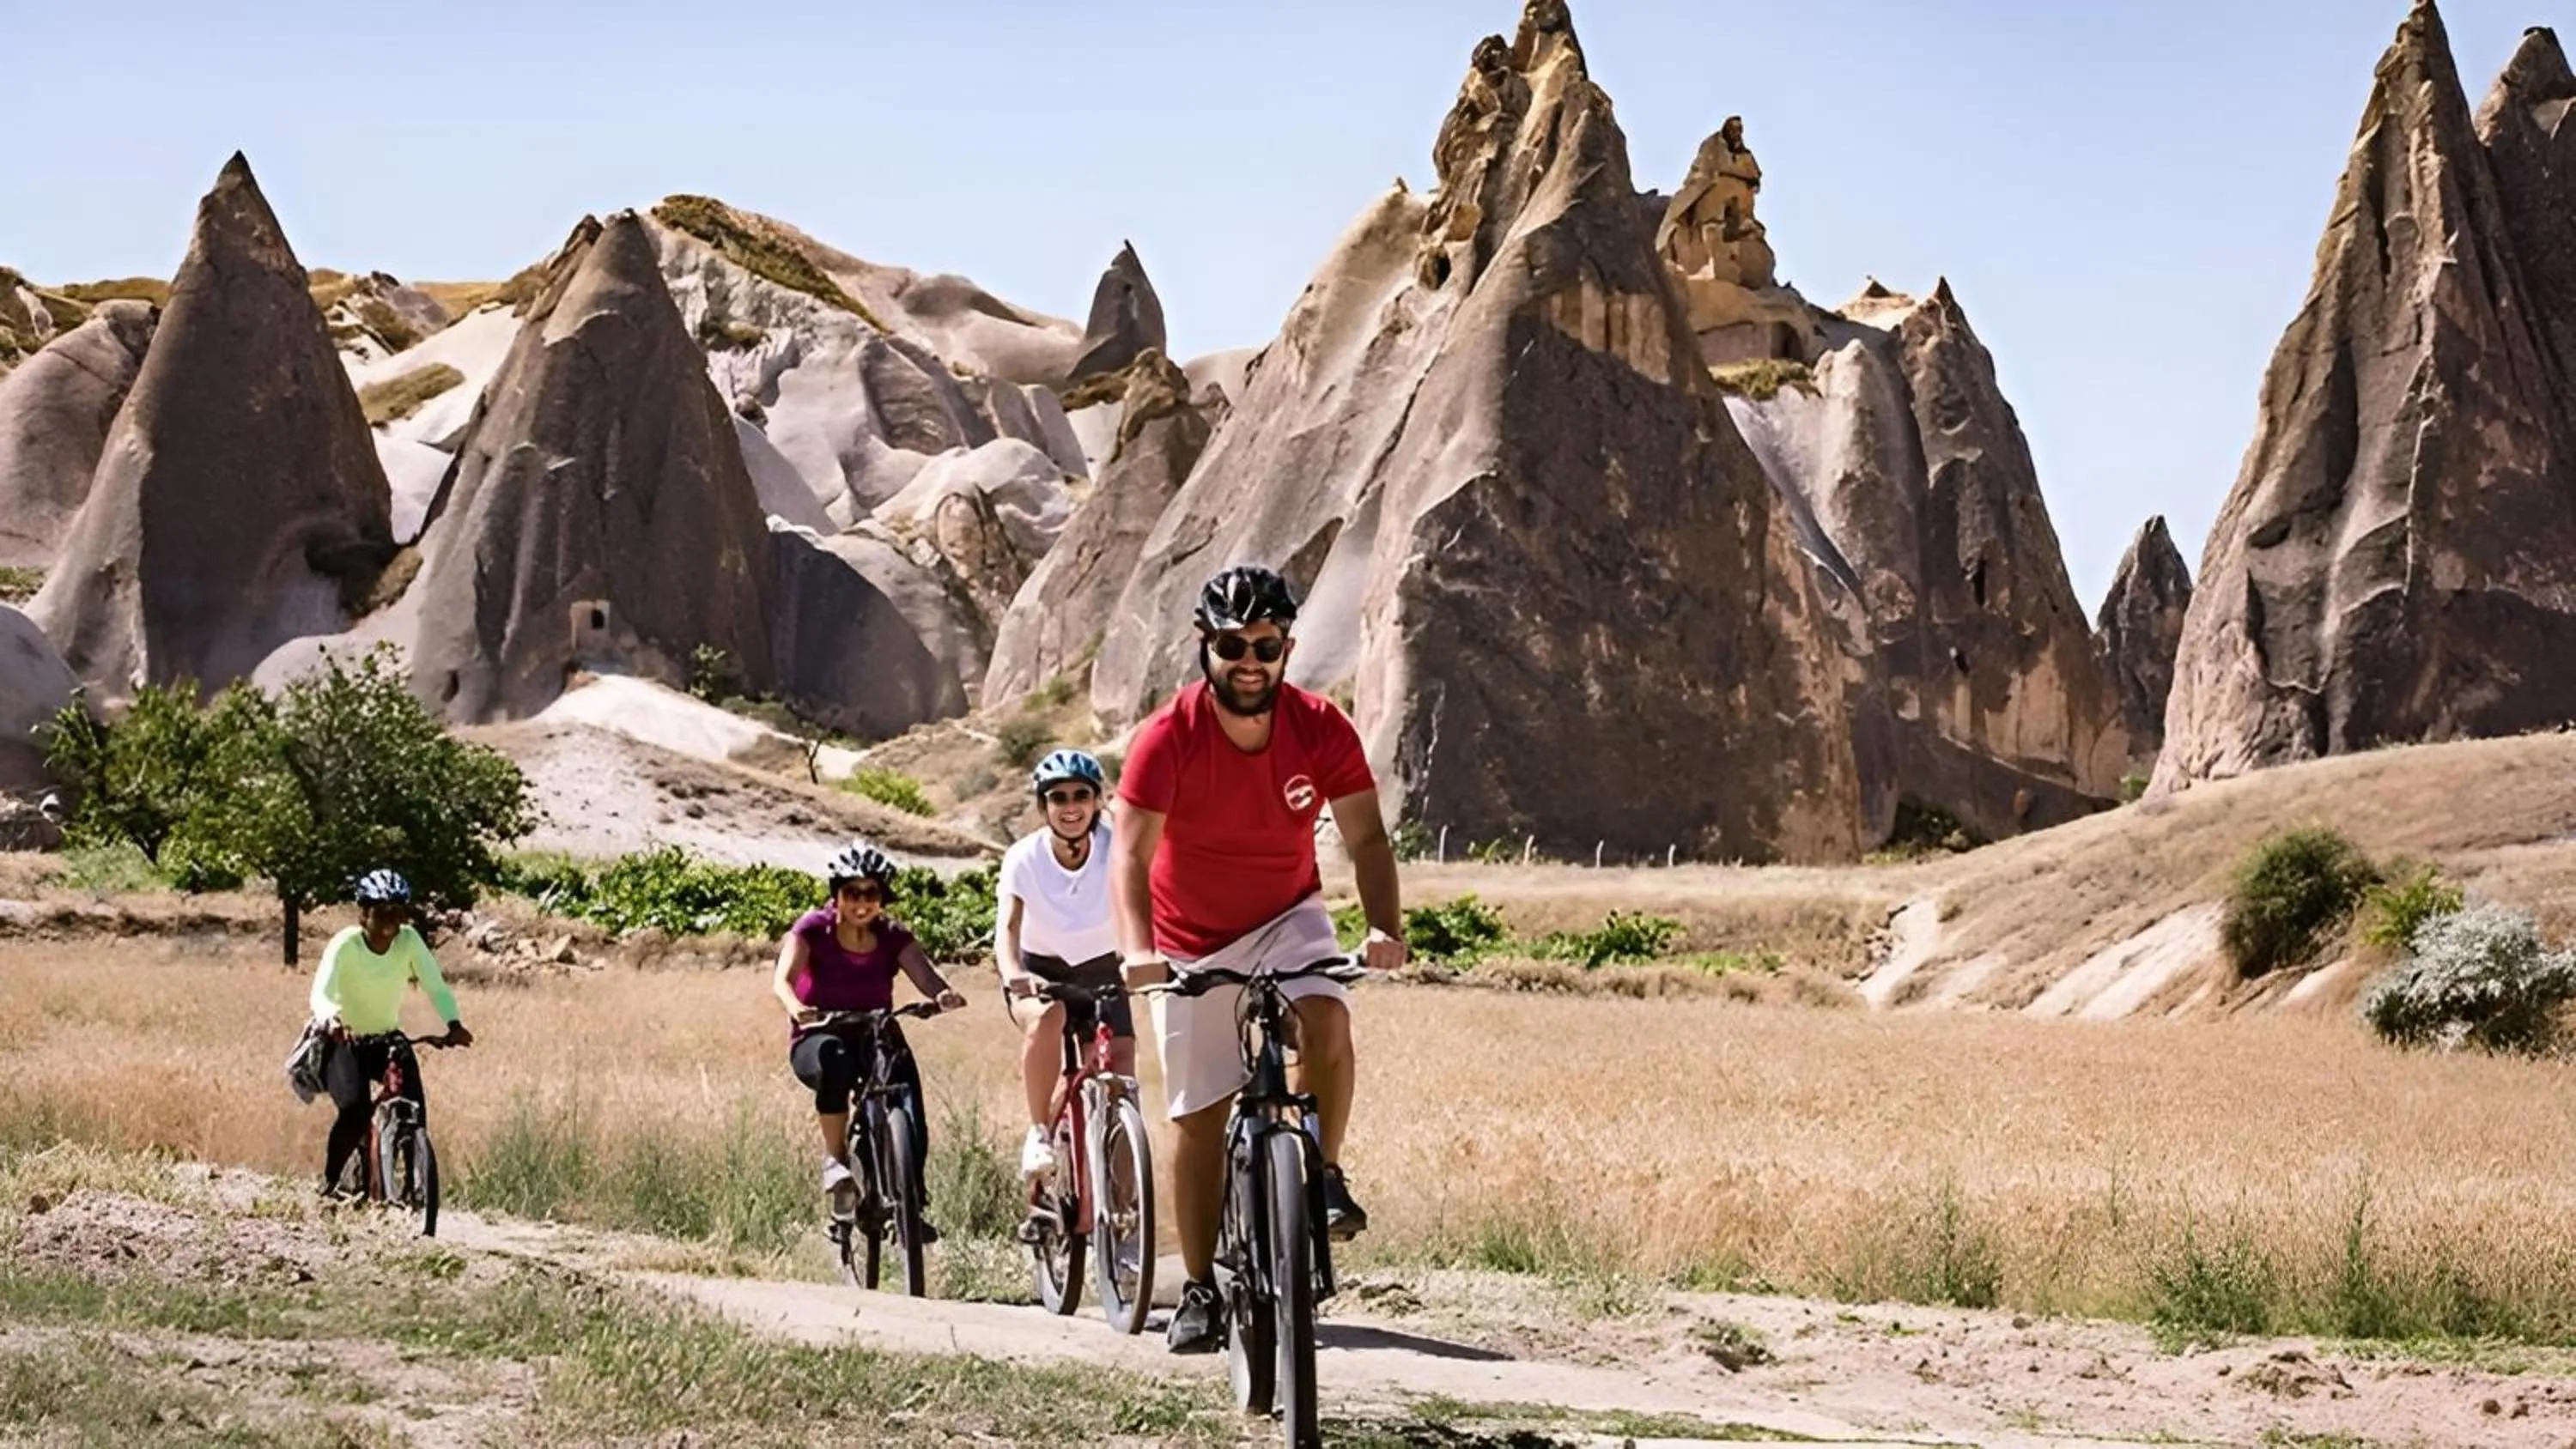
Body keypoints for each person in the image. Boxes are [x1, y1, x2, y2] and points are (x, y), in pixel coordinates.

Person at [1113, 564, 1408, 1355]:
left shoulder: (1322, 728)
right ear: (1204, 647)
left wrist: (1384, 927)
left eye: (1267, 646)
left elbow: (1368, 841)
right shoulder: (1166, 738)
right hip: (1187, 938)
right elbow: (1131, 858)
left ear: (1287, 648)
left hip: (1288, 916)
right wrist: (1139, 951)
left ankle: (1326, 1173)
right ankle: (1203, 1287)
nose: (1251, 661)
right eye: (1233, 646)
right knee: (1200, 1117)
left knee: (1328, 1015)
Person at [773, 840, 967, 1239]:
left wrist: (942, 995)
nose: (862, 902)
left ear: (883, 897)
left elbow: (925, 974)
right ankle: (837, 1164)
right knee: (834, 1060)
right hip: (820, 1032)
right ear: (836, 894)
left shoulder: (892, 935)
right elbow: (783, 980)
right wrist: (796, 1006)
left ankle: (909, 1203)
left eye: (871, 893)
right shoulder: (813, 929)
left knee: (909, 1102)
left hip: (876, 1030)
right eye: (852, 892)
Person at [996, 749, 1130, 1180]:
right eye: (1058, 798)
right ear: (1043, 806)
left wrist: (1144, 955)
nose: (1070, 807)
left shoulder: (1117, 848)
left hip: (1103, 972)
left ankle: (1126, 1216)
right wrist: (1014, 973)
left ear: (1096, 802)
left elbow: (1146, 904)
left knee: (1122, 1085)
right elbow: (1008, 929)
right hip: (1039, 973)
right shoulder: (1023, 857)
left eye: (1081, 796)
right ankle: (1039, 1135)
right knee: (1048, 1018)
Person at [307, 868, 471, 1196]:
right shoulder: (345, 945)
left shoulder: (409, 941)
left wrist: (453, 1023)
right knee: (353, 1113)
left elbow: (435, 986)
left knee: (414, 1105)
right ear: (364, 914)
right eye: (383, 913)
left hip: (386, 1039)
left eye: (398, 914)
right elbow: (320, 993)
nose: (390, 924)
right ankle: (329, 1182)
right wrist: (331, 1020)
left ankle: (414, 1181)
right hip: (346, 1041)